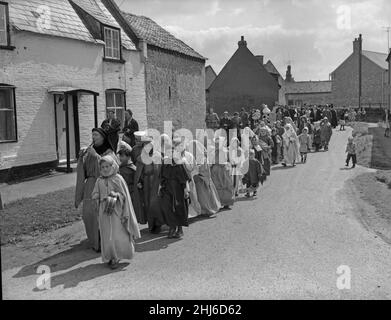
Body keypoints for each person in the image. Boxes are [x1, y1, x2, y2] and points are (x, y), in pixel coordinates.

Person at [92, 155, 140, 269]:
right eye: (102, 167)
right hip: (104, 212)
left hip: (117, 211)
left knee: (117, 234)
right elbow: (94, 193)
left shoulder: (118, 178)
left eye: (107, 166)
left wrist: (117, 195)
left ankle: (118, 255)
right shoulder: (99, 180)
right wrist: (97, 197)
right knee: (107, 234)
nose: (105, 169)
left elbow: (124, 195)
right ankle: (111, 256)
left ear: (113, 166)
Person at [75, 128, 116, 252]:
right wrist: (81, 157)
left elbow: (109, 167)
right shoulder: (90, 151)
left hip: (104, 185)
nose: (93, 137)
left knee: (102, 214)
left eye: (96, 135)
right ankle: (94, 240)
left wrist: (94, 155)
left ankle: (105, 241)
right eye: (92, 135)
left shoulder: (109, 152)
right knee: (88, 213)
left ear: (102, 137)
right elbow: (84, 169)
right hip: (90, 185)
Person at [159, 138, 191, 238]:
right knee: (168, 208)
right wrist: (160, 189)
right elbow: (161, 178)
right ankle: (172, 228)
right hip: (167, 189)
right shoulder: (165, 164)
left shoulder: (179, 164)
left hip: (178, 190)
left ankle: (180, 229)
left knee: (179, 208)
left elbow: (185, 178)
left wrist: (186, 190)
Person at [192, 140, 221, 216]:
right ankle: (203, 211)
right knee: (202, 197)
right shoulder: (197, 157)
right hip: (200, 179)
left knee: (204, 197)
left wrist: (196, 170)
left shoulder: (202, 158)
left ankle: (207, 210)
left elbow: (204, 169)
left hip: (202, 179)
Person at [210, 135, 235, 209]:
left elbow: (230, 160)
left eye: (218, 143)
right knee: (217, 186)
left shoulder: (226, 151)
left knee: (227, 185)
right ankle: (219, 202)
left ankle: (227, 202)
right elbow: (211, 161)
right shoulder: (212, 152)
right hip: (215, 170)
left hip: (224, 169)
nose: (217, 145)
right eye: (216, 143)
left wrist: (229, 166)